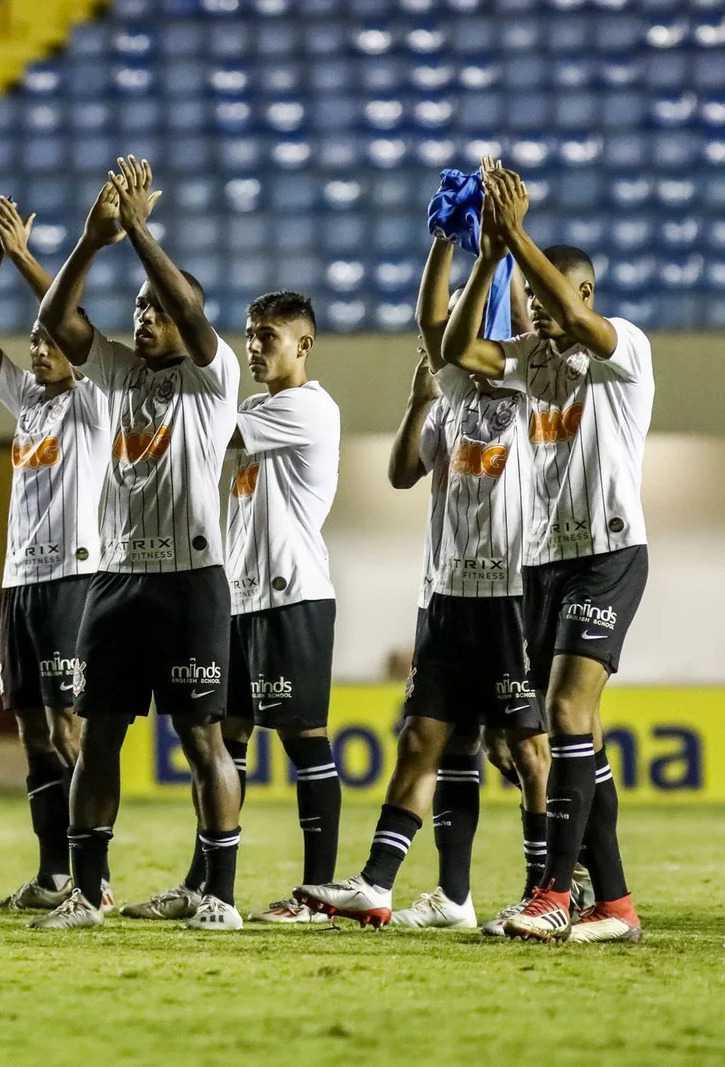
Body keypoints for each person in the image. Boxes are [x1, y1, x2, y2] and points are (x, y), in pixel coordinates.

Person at [295, 234, 555, 932]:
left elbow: (449, 328)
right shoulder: (451, 399)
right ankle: (399, 887)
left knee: (527, 748)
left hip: (509, 593)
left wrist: (495, 256)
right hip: (443, 596)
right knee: (426, 739)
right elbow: (403, 472)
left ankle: (548, 887)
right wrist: (418, 401)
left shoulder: (535, 382)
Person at [28, 158, 243, 931]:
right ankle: (88, 891)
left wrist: (141, 231)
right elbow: (56, 320)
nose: (145, 316)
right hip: (115, 581)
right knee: (98, 738)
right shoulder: (117, 372)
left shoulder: (216, 374)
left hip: (190, 579)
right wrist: (91, 241)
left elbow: (187, 299)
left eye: (157, 308)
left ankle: (218, 893)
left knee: (200, 735)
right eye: (138, 306)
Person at [442, 158, 651, 944]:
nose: (530, 315)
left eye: (542, 299)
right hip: (542, 564)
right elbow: (459, 344)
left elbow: (571, 311)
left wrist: (517, 234)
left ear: (582, 296)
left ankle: (554, 893)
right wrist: (492, 255)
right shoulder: (531, 364)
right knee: (576, 734)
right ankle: (616, 905)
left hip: (608, 552)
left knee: (564, 711)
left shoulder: (621, 346)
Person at [0, 197, 111, 911]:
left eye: (53, 338)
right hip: (22, 581)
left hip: (72, 578)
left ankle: (93, 879)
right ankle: (54, 876)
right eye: (37, 339)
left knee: (67, 726)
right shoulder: (32, 403)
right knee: (31, 728)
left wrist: (25, 255)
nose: (41, 347)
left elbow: (68, 327)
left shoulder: (93, 401)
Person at [197, 289, 341, 926]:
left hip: (292, 596)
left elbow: (210, 428)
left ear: (303, 344)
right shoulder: (261, 409)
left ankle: (317, 894)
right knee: (228, 738)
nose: (253, 347)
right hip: (243, 598)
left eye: (268, 337)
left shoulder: (309, 410)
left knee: (304, 741)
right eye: (249, 335)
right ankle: (205, 882)